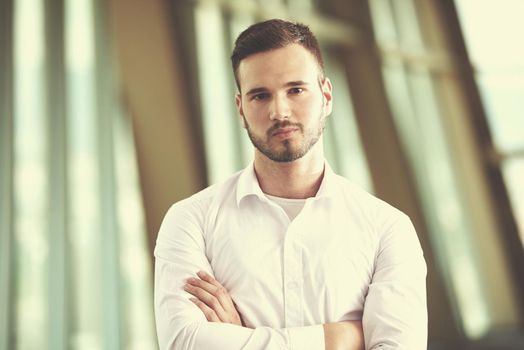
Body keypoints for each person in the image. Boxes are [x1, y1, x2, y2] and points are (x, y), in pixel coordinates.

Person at [154, 19, 427, 350]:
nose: (279, 111)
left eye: (295, 90)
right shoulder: (190, 220)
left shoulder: (388, 228)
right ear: (241, 110)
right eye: (260, 96)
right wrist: (336, 338)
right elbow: (185, 342)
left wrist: (240, 338)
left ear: (326, 96)